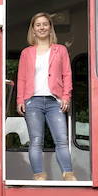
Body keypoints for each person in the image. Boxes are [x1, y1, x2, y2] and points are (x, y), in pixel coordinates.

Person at [15, 12, 77, 181]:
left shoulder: (60, 50)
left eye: (45, 24)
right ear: (33, 30)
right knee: (36, 141)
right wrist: (20, 100)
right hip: (32, 101)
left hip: (54, 101)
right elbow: (21, 78)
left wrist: (66, 96)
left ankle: (68, 173)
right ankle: (38, 175)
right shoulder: (26, 53)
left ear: (50, 28)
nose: (42, 27)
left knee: (62, 140)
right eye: (38, 25)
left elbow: (67, 74)